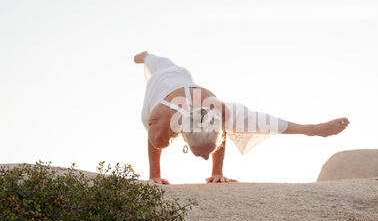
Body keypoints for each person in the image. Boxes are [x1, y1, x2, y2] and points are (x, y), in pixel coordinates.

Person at [134, 51, 350, 184]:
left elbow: (266, 122)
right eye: (202, 154)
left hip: (185, 79)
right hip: (165, 79)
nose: (205, 158)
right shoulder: (161, 122)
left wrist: (311, 129)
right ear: (184, 136)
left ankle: (147, 57)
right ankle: (146, 56)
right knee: (156, 61)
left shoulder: (220, 112)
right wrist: (155, 175)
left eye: (207, 153)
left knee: (173, 68)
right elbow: (154, 144)